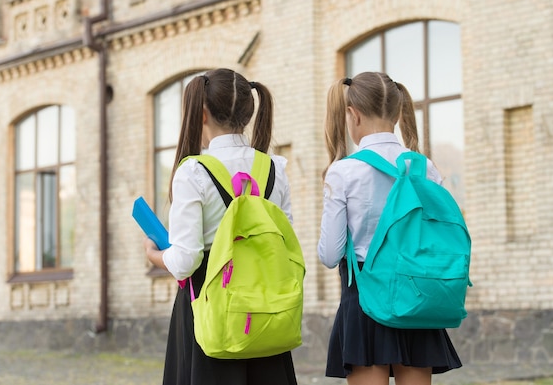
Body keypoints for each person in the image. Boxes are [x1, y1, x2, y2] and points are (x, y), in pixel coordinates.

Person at [144, 68, 298, 385]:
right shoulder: (274, 168)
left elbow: (186, 261)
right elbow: (285, 240)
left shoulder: (193, 172)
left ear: (201, 113)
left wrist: (156, 255)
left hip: (209, 310)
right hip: (265, 308)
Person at [317, 71, 462, 385]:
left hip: (365, 300)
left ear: (352, 115)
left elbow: (329, 255)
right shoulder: (425, 167)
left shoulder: (344, 171)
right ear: (398, 112)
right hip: (418, 295)